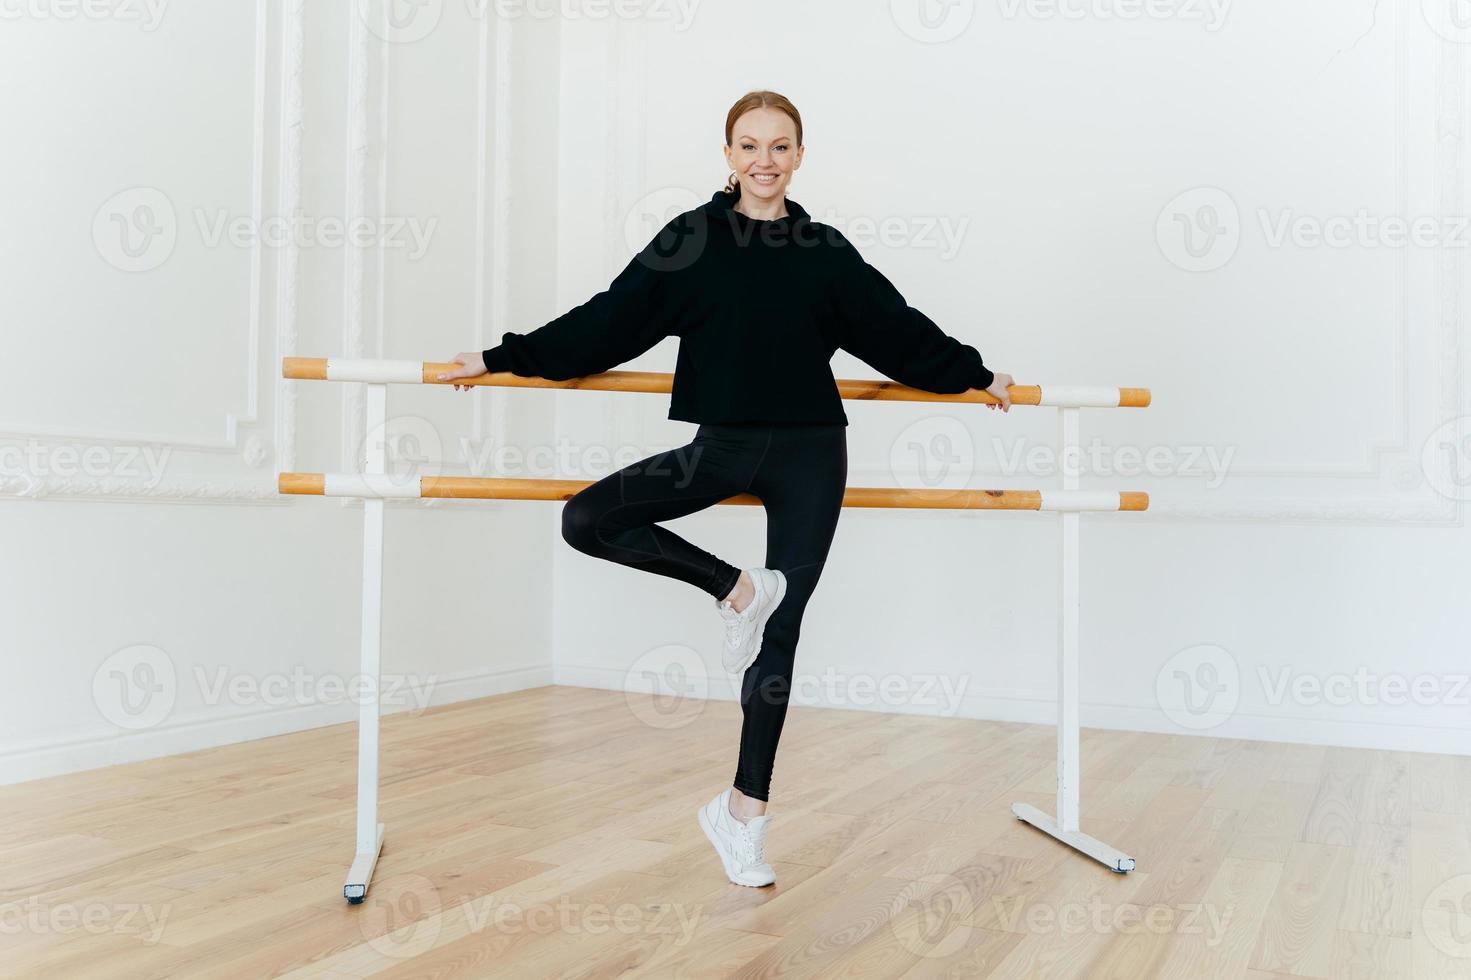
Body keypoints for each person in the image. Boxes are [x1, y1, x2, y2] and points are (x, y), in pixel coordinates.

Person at [436, 89, 1014, 888]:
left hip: (814, 453)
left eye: (780, 147)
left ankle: (745, 814)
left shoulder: (822, 248)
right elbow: (610, 320)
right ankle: (737, 589)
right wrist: (501, 356)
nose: (764, 161)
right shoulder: (691, 240)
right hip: (726, 448)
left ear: (801, 156)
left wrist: (974, 374)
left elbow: (893, 327)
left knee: (782, 641)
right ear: (727, 154)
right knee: (588, 517)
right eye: (749, 146)